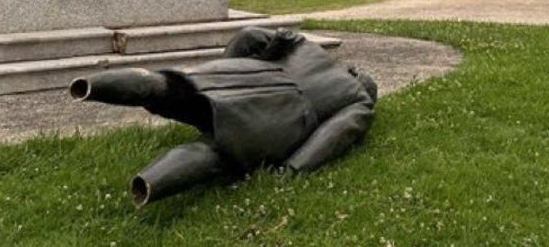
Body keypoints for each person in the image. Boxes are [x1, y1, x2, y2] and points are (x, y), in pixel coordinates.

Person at [70, 27, 377, 205]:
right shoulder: (359, 100)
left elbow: (249, 36)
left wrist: (224, 69)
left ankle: (89, 86)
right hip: (278, 119)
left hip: (243, 77)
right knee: (216, 152)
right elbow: (334, 135)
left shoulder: (309, 48)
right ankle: (147, 186)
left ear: (350, 67)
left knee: (166, 86)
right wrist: (294, 168)